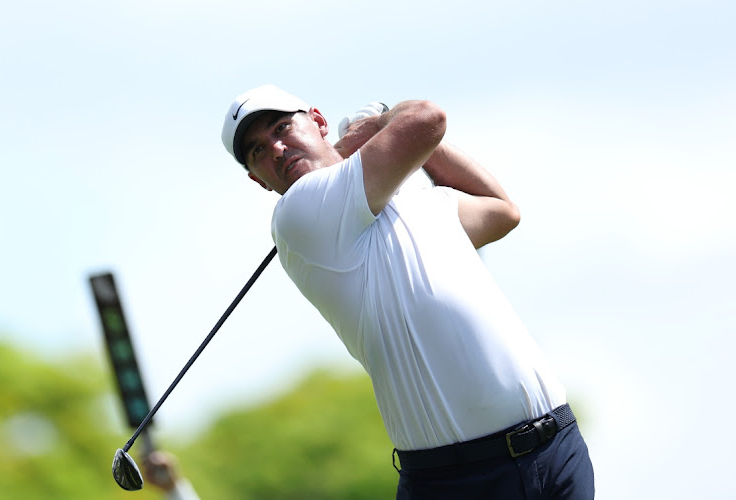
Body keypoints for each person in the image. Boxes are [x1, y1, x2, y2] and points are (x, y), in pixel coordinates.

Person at [220, 84, 595, 499]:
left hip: (556, 446)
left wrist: (389, 135)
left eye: (283, 127)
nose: (276, 147)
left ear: (319, 122)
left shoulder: (415, 200)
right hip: (456, 482)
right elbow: (426, 119)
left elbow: (501, 211)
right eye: (257, 150)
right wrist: (381, 123)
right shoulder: (299, 213)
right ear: (259, 181)